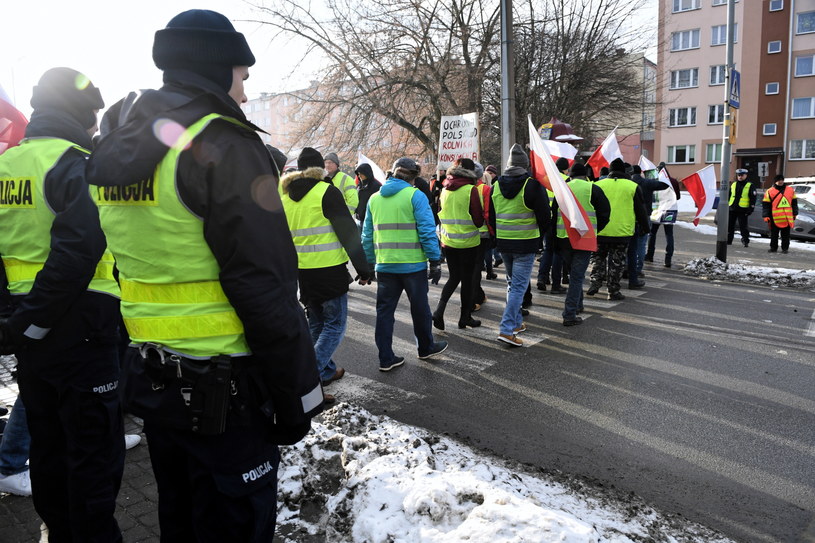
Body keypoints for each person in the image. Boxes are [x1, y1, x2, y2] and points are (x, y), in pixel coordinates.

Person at [85, 10, 323, 541]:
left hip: (157, 379)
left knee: (182, 519)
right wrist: (296, 397)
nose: (243, 94)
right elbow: (265, 286)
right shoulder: (223, 144)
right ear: (217, 70)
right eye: (242, 78)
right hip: (229, 391)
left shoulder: (117, 152)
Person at [0, 67, 126, 541]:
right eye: (92, 116)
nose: (95, 126)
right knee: (94, 452)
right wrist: (32, 322)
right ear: (80, 113)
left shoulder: (7, 166)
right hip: (81, 327)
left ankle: (57, 530)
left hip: (30, 328)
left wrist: (13, 321)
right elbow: (77, 254)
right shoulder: (75, 164)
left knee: (49, 446)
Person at [280, 148, 373, 403]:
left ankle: (327, 371)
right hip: (329, 271)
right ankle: (308, 379)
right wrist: (364, 269)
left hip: (303, 272)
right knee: (335, 326)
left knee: (317, 324)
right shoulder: (326, 191)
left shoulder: (286, 196)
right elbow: (348, 234)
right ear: (320, 168)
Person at [361, 157, 448, 371]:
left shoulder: (374, 199)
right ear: (413, 178)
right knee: (420, 309)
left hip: (385, 266)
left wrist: (370, 264)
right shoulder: (415, 196)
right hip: (413, 267)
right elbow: (427, 232)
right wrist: (435, 260)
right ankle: (425, 348)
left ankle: (386, 358)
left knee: (384, 313)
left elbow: (366, 236)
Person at [489, 144, 550, 347]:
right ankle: (506, 330)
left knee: (511, 283)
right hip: (525, 243)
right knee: (518, 287)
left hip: (504, 243)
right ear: (525, 166)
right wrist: (540, 236)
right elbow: (544, 216)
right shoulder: (532, 185)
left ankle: (515, 324)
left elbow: (492, 215)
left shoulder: (495, 185)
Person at [554, 162, 610, 325]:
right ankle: (569, 314)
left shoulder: (563, 189)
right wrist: (595, 231)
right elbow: (605, 213)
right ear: (585, 175)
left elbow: (553, 213)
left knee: (574, 274)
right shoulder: (593, 189)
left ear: (570, 175)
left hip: (564, 238)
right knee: (577, 277)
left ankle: (578, 305)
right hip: (584, 238)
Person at [587, 158, 650, 300]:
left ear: (610, 171)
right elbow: (641, 210)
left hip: (600, 230)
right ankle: (613, 290)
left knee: (598, 258)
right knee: (617, 262)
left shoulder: (597, 185)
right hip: (622, 232)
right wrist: (645, 228)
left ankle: (595, 283)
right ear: (623, 171)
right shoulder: (632, 186)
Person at [432, 158, 484, 330]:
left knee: (454, 277)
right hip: (468, 243)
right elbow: (477, 220)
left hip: (448, 242)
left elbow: (439, 212)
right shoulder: (471, 190)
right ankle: (465, 317)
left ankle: (439, 312)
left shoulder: (445, 189)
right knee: (468, 281)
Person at [626, 164, 668, 287]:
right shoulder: (646, 182)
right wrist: (662, 173)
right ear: (641, 172)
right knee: (641, 243)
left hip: (629, 217)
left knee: (629, 246)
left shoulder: (627, 182)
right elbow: (664, 185)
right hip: (644, 216)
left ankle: (627, 267)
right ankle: (638, 269)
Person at [537, 157, 569, 294]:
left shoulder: (545, 179)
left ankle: (542, 278)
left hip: (544, 219)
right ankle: (556, 283)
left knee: (547, 250)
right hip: (558, 221)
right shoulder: (566, 181)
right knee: (558, 252)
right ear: (566, 168)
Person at [645, 163, 681, 268]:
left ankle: (650, 255)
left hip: (656, 210)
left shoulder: (653, 181)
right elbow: (677, 196)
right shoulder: (673, 181)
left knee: (652, 233)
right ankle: (668, 259)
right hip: (670, 209)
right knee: (669, 234)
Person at [763, 174, 798, 254]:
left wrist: (795, 213)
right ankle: (773, 248)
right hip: (774, 218)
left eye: (782, 180)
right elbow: (766, 205)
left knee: (785, 235)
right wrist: (765, 216)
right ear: (775, 181)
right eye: (779, 180)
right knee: (774, 235)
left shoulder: (790, 190)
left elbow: (794, 203)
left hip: (787, 218)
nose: (780, 181)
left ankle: (785, 249)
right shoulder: (769, 191)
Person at [727, 168, 757, 247]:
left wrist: (751, 209)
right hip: (732, 208)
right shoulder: (733, 184)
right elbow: (729, 196)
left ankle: (745, 241)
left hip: (743, 210)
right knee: (730, 226)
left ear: (746, 175)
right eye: (738, 175)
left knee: (743, 227)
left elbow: (753, 198)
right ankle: (729, 240)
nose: (740, 177)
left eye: (742, 175)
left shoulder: (750, 185)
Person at [325, 152, 359, 217]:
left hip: (340, 219)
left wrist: (344, 216)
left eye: (330, 163)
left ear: (336, 164)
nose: (327, 165)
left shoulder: (347, 179)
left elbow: (353, 201)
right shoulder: (322, 179)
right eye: (326, 163)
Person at [354, 162, 382, 227]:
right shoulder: (359, 186)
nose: (359, 176)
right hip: (358, 219)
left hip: (370, 220)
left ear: (367, 173)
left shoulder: (376, 186)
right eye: (358, 174)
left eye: (361, 173)